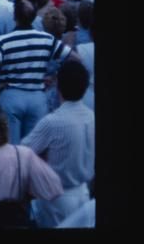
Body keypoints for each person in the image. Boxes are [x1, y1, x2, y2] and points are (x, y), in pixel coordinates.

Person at [0, 0, 73, 142]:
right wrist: (55, 77)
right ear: (34, 18)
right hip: (37, 97)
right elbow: (73, 58)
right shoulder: (47, 39)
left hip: (11, 96)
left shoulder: (4, 41)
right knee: (34, 148)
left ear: (15, 17)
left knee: (11, 146)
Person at [22, 59, 95, 228]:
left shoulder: (52, 122)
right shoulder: (92, 117)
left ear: (58, 86)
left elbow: (22, 153)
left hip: (55, 201)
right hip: (84, 194)